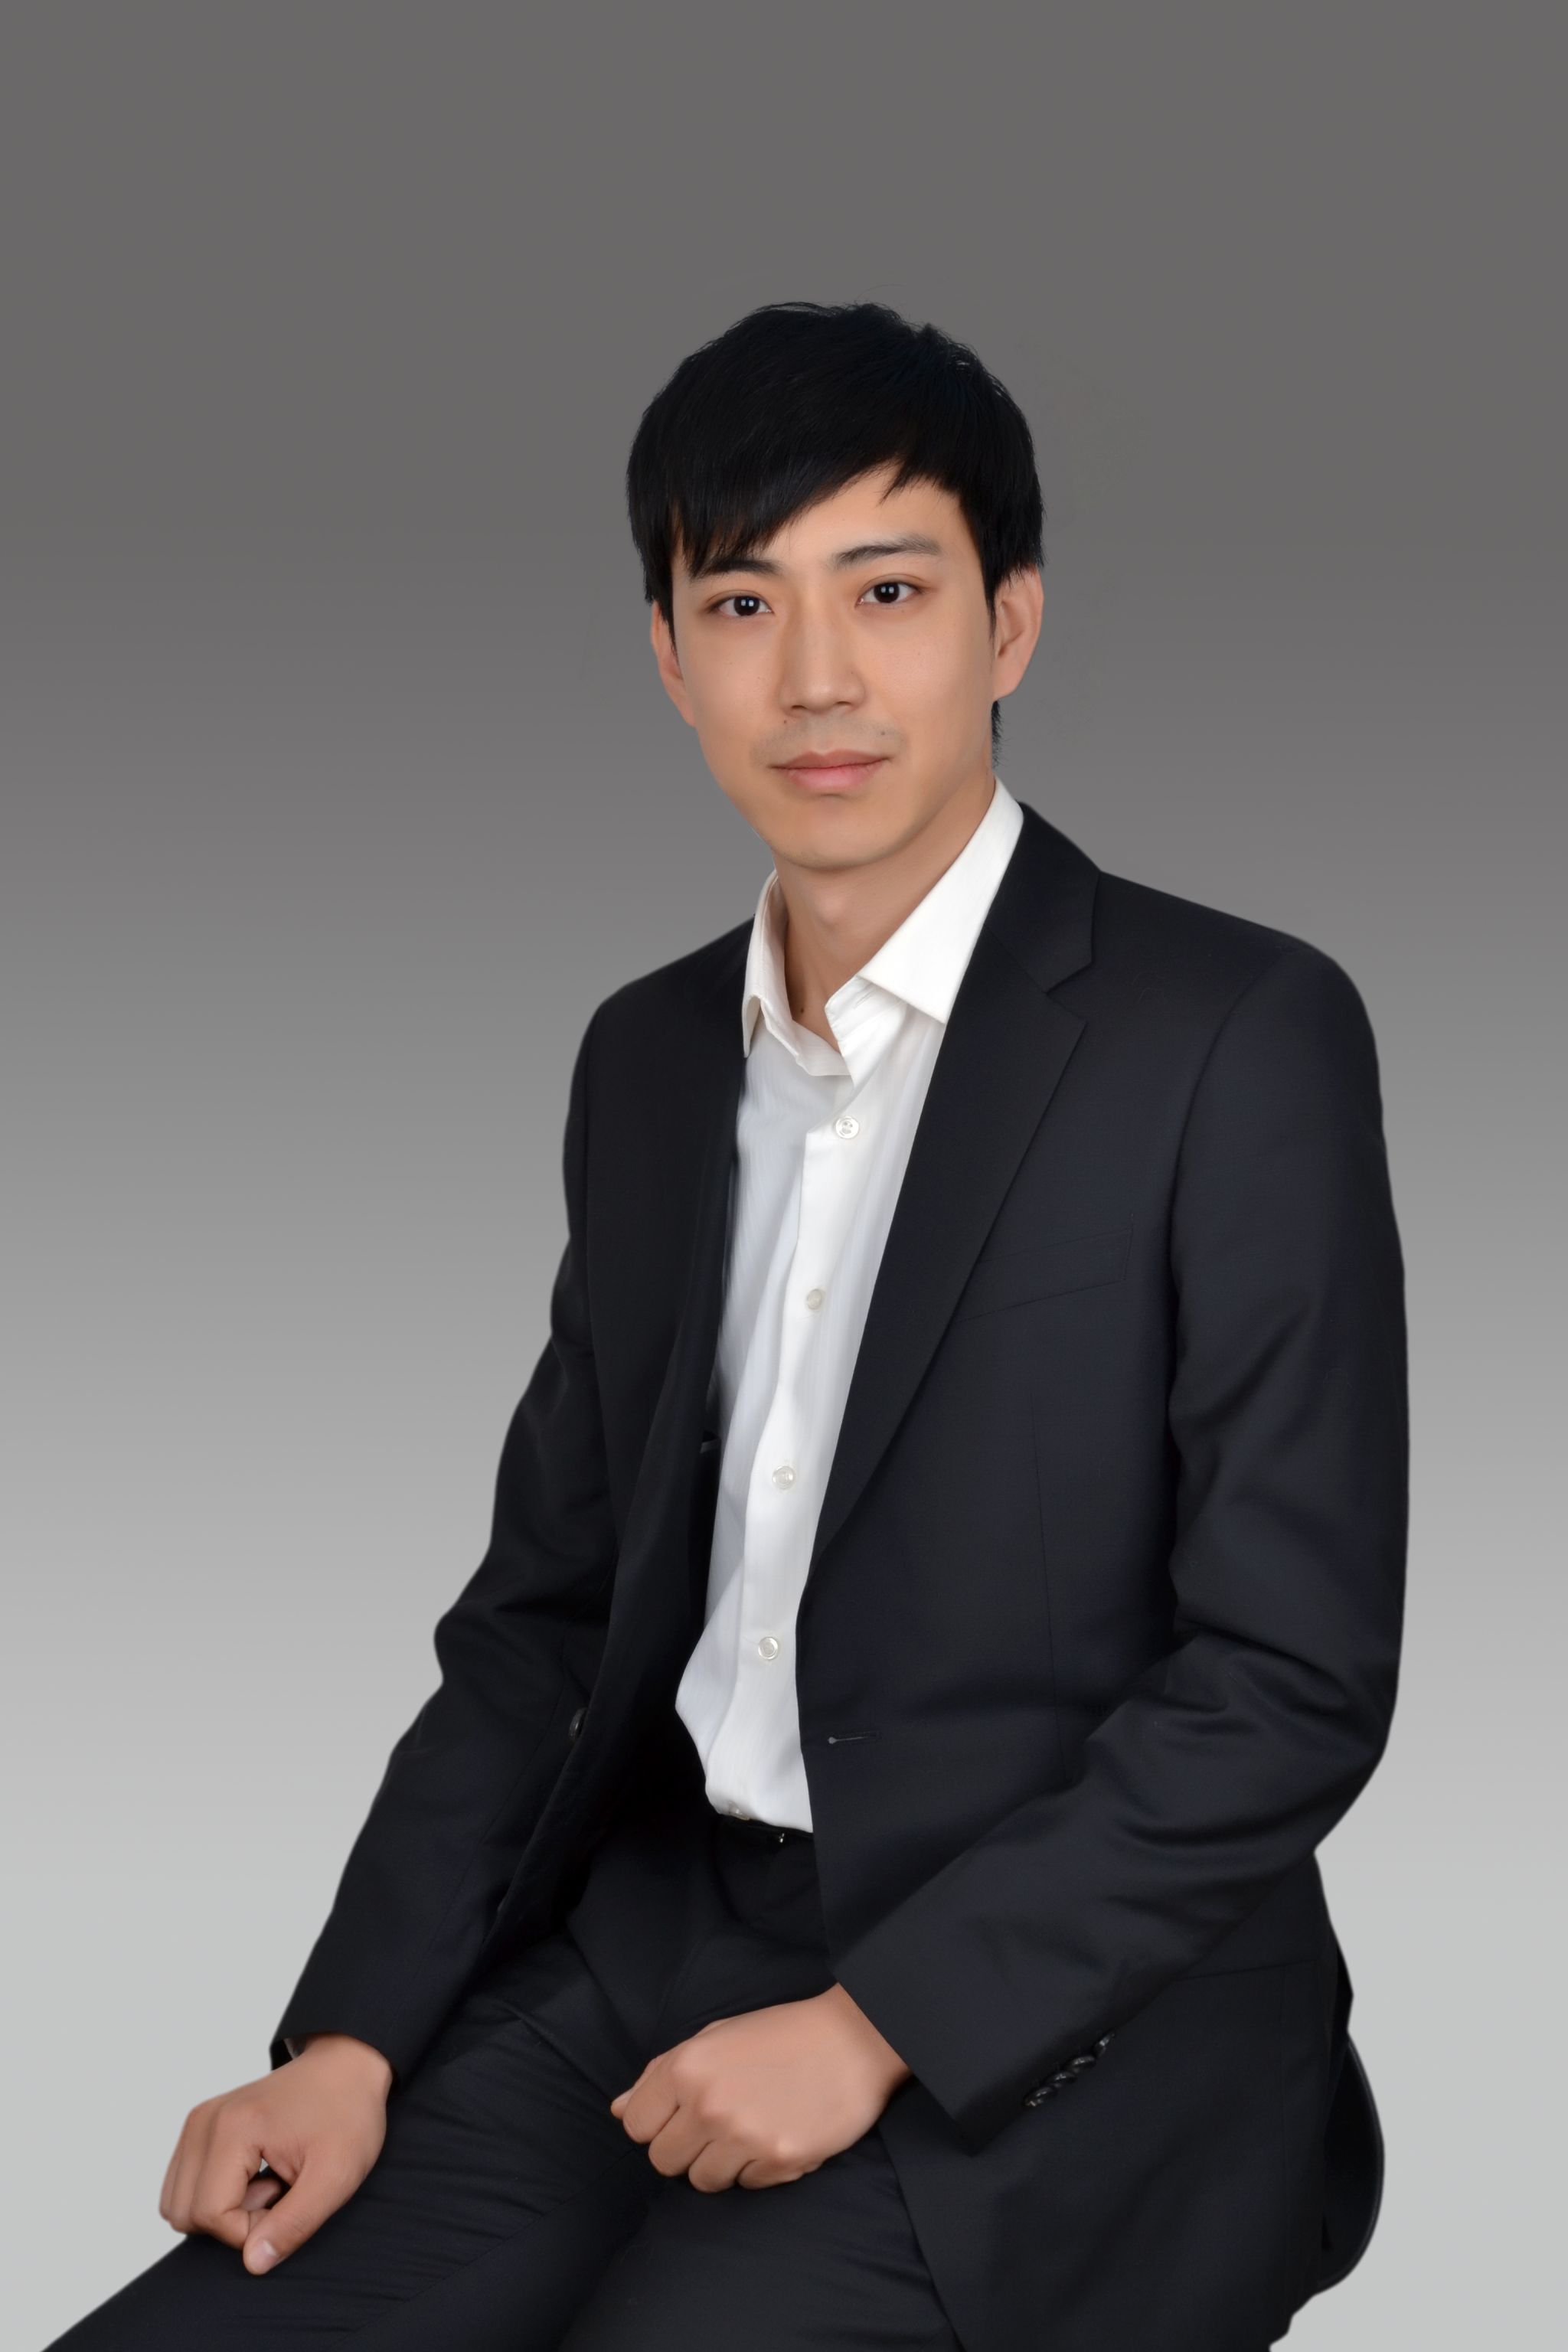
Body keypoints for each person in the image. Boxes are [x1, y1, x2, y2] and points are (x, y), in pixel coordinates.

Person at [46, 300, 1406, 2352]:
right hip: (659, 1951)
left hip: (1067, 2038)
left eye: (890, 591)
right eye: (745, 602)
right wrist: (348, 2036)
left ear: (1012, 625)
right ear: (672, 660)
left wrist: (880, 2023)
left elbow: (1289, 1680)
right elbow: (544, 1617)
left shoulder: (1232, 1034)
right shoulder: (650, 1058)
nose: (818, 676)